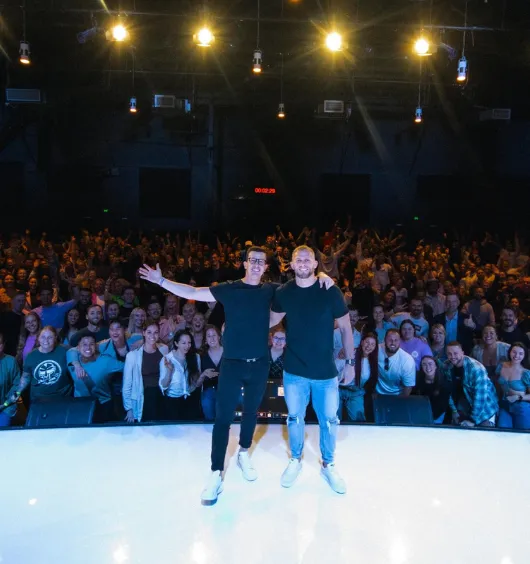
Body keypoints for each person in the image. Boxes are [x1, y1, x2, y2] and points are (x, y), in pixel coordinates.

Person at [139, 246, 333, 506]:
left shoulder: (271, 290)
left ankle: (243, 452)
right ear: (245, 264)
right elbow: (193, 292)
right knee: (223, 418)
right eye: (252, 260)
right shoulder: (229, 289)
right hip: (231, 364)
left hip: (259, 364)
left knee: (251, 413)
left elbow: (301, 284)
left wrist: (322, 276)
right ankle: (216, 472)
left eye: (261, 261)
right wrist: (162, 281)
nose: (257, 264)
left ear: (266, 267)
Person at [270, 245, 354, 494]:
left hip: (325, 372)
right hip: (294, 370)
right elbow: (269, 320)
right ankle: (295, 459)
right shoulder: (284, 292)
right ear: (291, 264)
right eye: (299, 259)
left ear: (316, 264)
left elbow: (346, 328)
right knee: (295, 418)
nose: (304, 262)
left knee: (329, 420)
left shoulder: (330, 290)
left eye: (308, 259)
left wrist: (350, 363)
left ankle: (328, 464)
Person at [8, 326, 72, 407]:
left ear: (55, 338)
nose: (46, 340)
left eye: (50, 337)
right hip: (38, 399)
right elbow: (26, 377)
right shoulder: (31, 356)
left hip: (63, 398)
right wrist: (18, 391)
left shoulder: (65, 350)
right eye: (43, 337)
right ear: (38, 338)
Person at [66, 334, 125, 423]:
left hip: (103, 405)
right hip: (80, 404)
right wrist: (77, 365)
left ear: (96, 346)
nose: (88, 347)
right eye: (84, 344)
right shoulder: (73, 360)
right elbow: (70, 351)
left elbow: (128, 367)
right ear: (78, 348)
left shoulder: (106, 361)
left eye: (91, 344)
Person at [122, 321, 169, 423]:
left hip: (161, 395)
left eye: (156, 332)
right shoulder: (132, 356)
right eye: (149, 332)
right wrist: (129, 408)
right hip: (144, 396)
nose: (152, 336)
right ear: (143, 333)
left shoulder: (164, 349)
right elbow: (127, 384)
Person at [444, 341, 499, 427]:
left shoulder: (476, 369)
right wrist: (454, 410)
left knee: (483, 432)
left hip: (485, 410)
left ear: (462, 353)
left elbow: (480, 397)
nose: (453, 356)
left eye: (455, 353)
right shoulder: (447, 366)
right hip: (464, 407)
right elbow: (448, 391)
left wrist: (472, 420)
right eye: (449, 354)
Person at [159, 329, 204, 420]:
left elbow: (196, 383)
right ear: (176, 343)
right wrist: (169, 371)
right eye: (183, 343)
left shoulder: (195, 357)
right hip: (173, 402)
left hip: (191, 399)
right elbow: (163, 386)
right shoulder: (167, 359)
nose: (187, 346)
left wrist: (203, 375)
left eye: (189, 343)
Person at [337, 332, 378, 422]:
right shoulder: (349, 353)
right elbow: (336, 368)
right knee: (334, 418)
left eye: (372, 344)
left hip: (356, 391)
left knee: (358, 420)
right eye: (367, 342)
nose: (369, 346)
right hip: (339, 389)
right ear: (362, 342)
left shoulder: (372, 360)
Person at [495, 342, 530, 430]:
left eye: (521, 353)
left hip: (521, 407)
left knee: (521, 434)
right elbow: (496, 386)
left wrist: (518, 397)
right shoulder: (501, 366)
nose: (516, 356)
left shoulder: (526, 373)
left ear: (524, 356)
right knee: (502, 432)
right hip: (504, 405)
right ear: (509, 352)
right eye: (514, 352)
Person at [376, 329, 416, 396]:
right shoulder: (376, 349)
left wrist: (398, 401)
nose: (393, 343)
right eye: (390, 340)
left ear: (400, 341)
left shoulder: (407, 360)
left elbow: (408, 388)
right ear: (384, 340)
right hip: (376, 393)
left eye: (396, 340)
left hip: (397, 395)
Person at [414, 356, 451, 424]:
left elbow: (441, 408)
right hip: (420, 413)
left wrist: (426, 418)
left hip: (436, 416)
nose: (427, 367)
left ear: (436, 366)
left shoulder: (444, 384)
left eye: (430, 363)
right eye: (424, 364)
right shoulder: (417, 380)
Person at [200, 325, 224, 421]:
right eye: (209, 336)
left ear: (219, 337)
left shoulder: (228, 352)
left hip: (226, 390)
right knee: (207, 405)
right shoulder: (201, 356)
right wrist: (204, 374)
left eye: (214, 335)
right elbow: (197, 381)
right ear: (205, 340)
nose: (212, 338)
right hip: (209, 390)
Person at [0, 333, 21, 426]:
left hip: (6, 408)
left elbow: (17, 386)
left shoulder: (11, 361)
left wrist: (5, 404)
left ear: (3, 344)